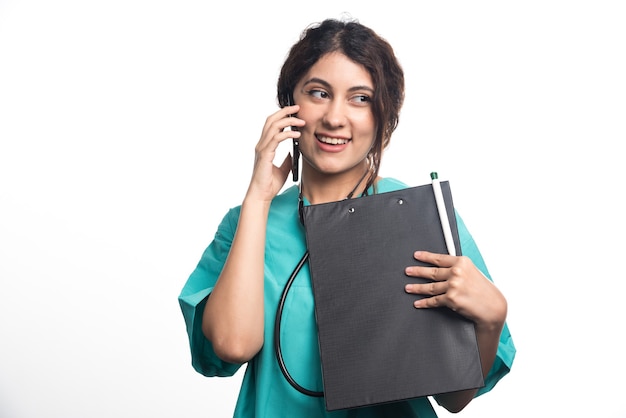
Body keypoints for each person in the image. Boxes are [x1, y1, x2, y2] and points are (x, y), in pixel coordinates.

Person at [178, 17, 515, 417]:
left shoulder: (423, 218)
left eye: (360, 98)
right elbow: (232, 345)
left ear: (383, 116)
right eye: (319, 93)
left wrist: (492, 319)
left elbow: (453, 398)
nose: (335, 118)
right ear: (290, 103)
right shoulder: (250, 221)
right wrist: (258, 196)